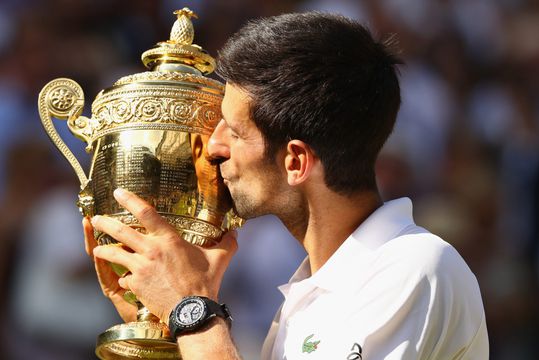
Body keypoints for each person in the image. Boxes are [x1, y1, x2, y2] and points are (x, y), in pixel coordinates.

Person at [84, 12, 488, 359]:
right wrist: (159, 330)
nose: (214, 147)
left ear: (296, 161)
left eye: (236, 132)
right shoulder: (308, 295)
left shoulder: (414, 268)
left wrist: (192, 309)